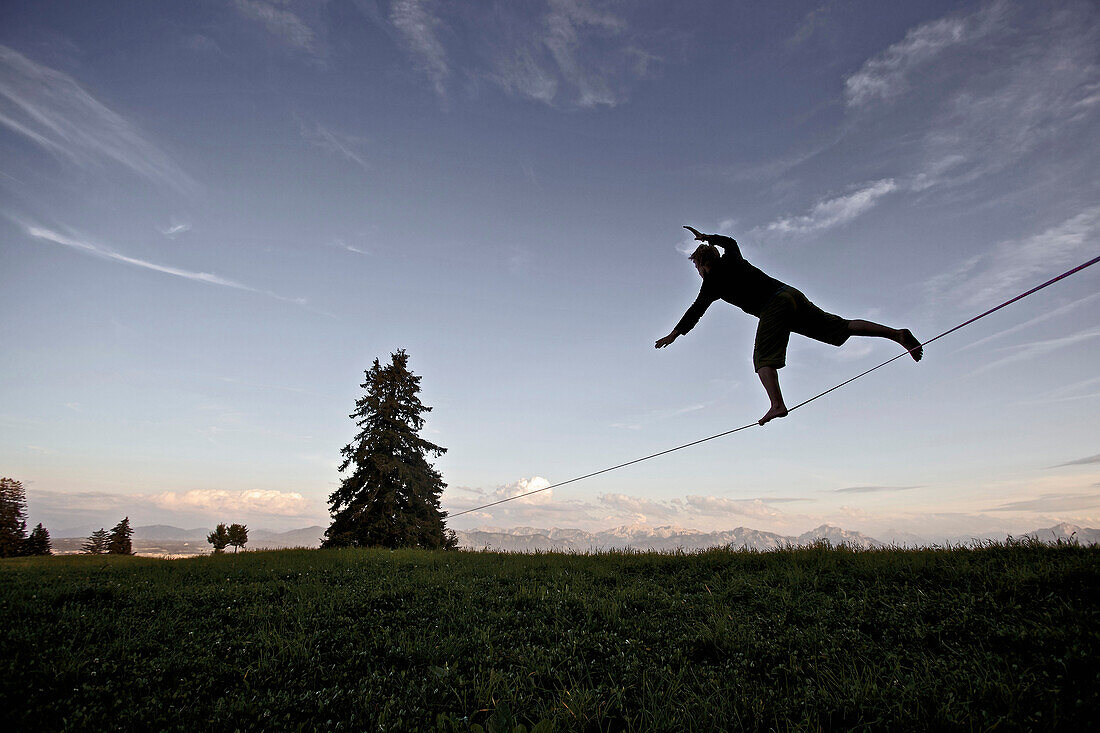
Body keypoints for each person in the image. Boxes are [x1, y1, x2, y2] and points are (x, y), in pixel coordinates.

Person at [655, 226, 923, 426]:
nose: (698, 273)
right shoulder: (732, 258)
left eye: (697, 268)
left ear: (702, 264)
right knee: (839, 327)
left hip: (773, 306)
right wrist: (709, 238)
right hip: (790, 294)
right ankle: (896, 334)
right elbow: (731, 242)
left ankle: (777, 404)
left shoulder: (711, 283)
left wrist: (673, 335)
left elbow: (695, 312)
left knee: (762, 359)